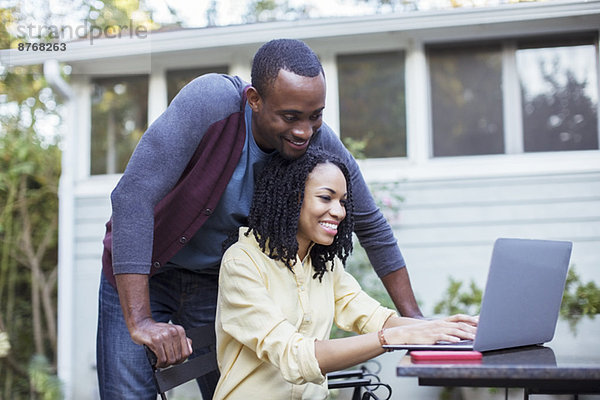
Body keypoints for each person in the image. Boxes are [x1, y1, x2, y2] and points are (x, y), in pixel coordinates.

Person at [98, 38, 423, 400]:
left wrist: (414, 323)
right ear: (254, 99)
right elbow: (132, 196)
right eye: (290, 117)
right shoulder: (210, 103)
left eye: (315, 115)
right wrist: (140, 320)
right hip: (144, 269)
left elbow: (370, 223)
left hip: (215, 279)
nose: (304, 131)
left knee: (242, 387)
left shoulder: (318, 141)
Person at [214, 148, 478, 399]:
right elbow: (295, 356)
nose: (339, 212)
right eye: (326, 198)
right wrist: (393, 338)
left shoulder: (321, 265)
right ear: (292, 197)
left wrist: (448, 328)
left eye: (343, 202)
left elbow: (377, 320)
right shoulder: (242, 262)